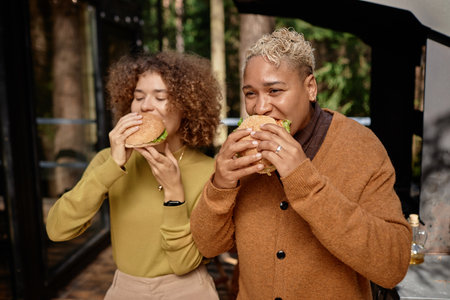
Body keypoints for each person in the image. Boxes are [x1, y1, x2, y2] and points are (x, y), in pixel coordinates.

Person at [190, 27, 412, 299]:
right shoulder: (242, 152)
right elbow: (209, 246)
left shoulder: (360, 146)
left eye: (274, 90)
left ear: (310, 88)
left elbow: (393, 265)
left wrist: (303, 179)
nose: (260, 107)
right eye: (250, 93)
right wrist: (220, 186)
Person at [46, 51, 222, 300]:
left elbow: (184, 264)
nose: (145, 106)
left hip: (188, 290)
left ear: (187, 106)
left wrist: (174, 193)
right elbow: (57, 229)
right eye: (138, 97)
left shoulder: (210, 172)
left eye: (160, 97)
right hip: (126, 290)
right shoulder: (108, 160)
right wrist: (111, 167)